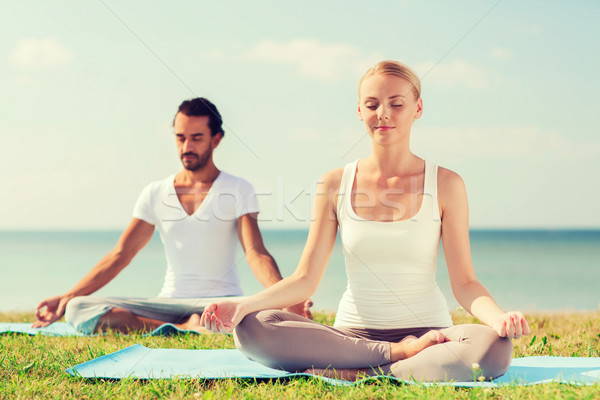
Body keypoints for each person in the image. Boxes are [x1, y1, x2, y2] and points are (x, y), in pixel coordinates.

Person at [197, 61, 530, 382]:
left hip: (432, 335)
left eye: (396, 103)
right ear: (359, 111)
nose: (383, 113)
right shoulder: (334, 183)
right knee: (252, 328)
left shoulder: (446, 184)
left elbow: (466, 284)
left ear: (418, 108)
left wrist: (499, 318)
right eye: (372, 104)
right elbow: (304, 279)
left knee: (494, 347)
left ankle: (367, 373)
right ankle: (396, 356)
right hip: (352, 339)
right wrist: (241, 306)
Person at [33, 97, 311, 334]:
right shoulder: (155, 192)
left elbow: (255, 253)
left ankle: (199, 323)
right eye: (180, 138)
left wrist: (287, 296)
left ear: (216, 139)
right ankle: (184, 328)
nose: (186, 146)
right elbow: (121, 255)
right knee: (78, 308)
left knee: (262, 318)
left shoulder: (238, 189)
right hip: (166, 303)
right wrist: (68, 296)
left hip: (223, 301)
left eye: (196, 138)